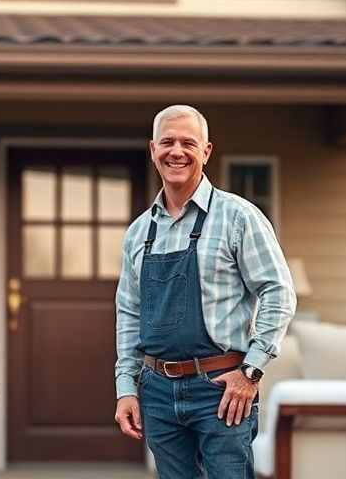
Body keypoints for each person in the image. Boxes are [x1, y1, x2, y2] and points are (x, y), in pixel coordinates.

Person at [113, 105, 296, 478]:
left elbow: (279, 293)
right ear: (153, 150)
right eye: (167, 142)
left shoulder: (238, 217)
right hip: (157, 391)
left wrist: (252, 372)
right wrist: (126, 387)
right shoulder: (138, 232)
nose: (176, 151)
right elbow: (129, 313)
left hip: (222, 390)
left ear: (206, 151)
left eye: (187, 143)